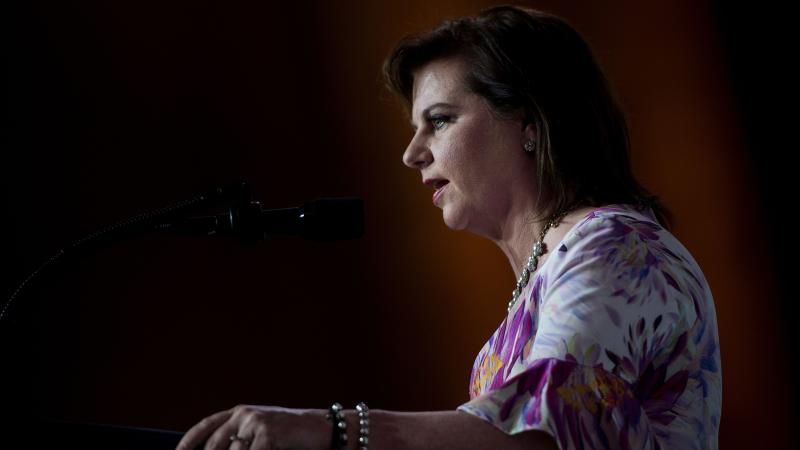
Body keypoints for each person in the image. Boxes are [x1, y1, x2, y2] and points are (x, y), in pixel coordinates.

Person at [176, 5, 721, 450]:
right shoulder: (552, 270)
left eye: (438, 121)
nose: (412, 154)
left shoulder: (616, 247)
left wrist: (334, 429)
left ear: (529, 122)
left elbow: (540, 435)